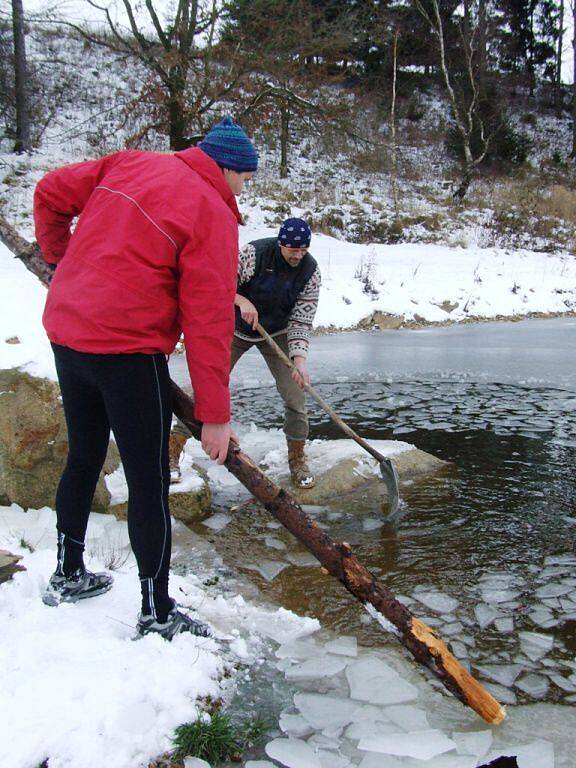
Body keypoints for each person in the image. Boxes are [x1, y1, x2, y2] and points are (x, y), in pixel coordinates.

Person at [33, 116, 258, 640]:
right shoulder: (211, 214)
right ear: (227, 169)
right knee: (148, 481)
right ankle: (157, 611)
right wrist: (215, 417)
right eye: (246, 178)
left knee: (84, 455)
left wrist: (60, 262)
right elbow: (205, 323)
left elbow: (48, 193)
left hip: (68, 332)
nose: (245, 189)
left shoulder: (130, 162)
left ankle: (67, 573)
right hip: (127, 351)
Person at [170, 217, 321, 488]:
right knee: (204, 391)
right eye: (292, 249)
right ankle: (171, 454)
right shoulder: (255, 254)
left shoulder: (310, 272)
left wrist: (299, 362)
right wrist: (241, 301)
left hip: (277, 332)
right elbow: (219, 283)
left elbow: (301, 320)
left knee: (296, 397)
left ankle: (297, 460)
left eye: (303, 250)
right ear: (280, 243)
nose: (298, 255)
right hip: (234, 327)